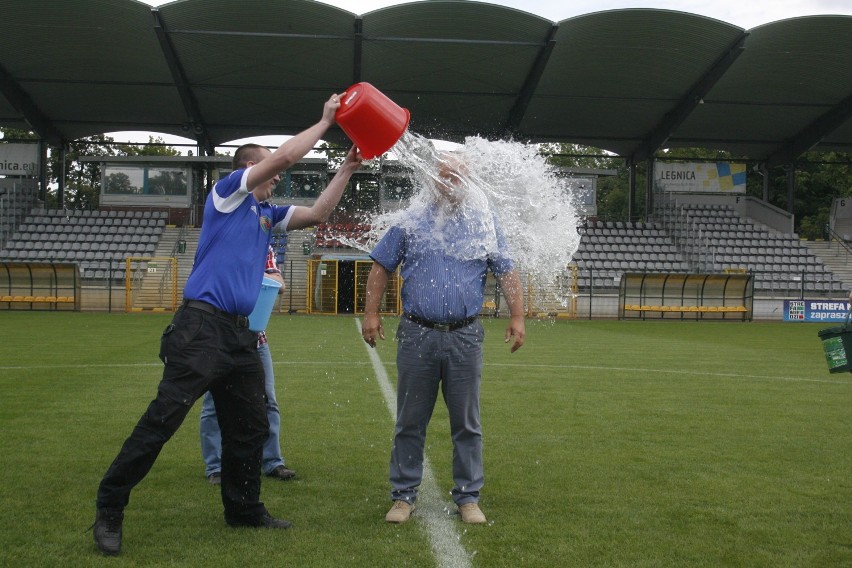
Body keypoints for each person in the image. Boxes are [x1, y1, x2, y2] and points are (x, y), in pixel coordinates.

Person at [92, 92, 363, 556]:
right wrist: (325, 122)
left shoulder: (264, 214)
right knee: (162, 420)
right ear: (248, 168)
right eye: (270, 170)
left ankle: (243, 510)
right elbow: (284, 154)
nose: (279, 176)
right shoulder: (227, 194)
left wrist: (346, 169)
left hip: (241, 334)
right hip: (201, 329)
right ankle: (110, 506)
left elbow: (317, 213)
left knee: (250, 425)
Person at [361, 151, 526, 525]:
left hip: (464, 337)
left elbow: (506, 269)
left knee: (467, 424)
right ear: (431, 179)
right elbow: (381, 265)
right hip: (417, 333)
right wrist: (371, 313)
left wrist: (518, 316)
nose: (450, 183)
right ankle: (403, 497)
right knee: (409, 421)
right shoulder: (410, 221)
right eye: (444, 176)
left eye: (458, 177)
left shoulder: (483, 221)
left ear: (468, 183)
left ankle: (468, 498)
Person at [199, 246, 294, 486]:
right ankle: (216, 467)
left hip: (255, 340)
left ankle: (272, 462)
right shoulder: (217, 242)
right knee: (213, 404)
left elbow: (278, 282)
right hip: (218, 339)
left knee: (268, 400)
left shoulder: (263, 247)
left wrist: (250, 277)